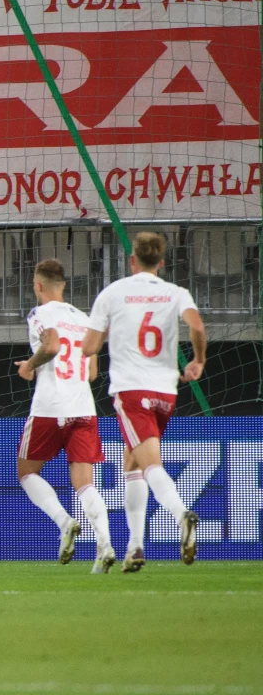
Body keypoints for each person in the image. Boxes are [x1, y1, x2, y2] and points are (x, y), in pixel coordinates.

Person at [82, 232, 205, 571]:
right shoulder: (175, 292)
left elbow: (89, 348)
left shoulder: (113, 293)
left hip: (132, 391)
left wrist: (105, 330)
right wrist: (198, 360)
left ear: (131, 260)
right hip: (166, 392)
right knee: (133, 462)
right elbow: (197, 326)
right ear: (161, 262)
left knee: (150, 465)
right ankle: (135, 547)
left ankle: (182, 515)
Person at [15, 260, 115, 573]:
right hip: (83, 408)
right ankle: (106, 545)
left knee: (27, 472)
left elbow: (53, 345)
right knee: (84, 483)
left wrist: (29, 365)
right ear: (64, 285)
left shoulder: (39, 314)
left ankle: (64, 521)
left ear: (38, 285)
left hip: (49, 407)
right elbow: (94, 371)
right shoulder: (85, 320)